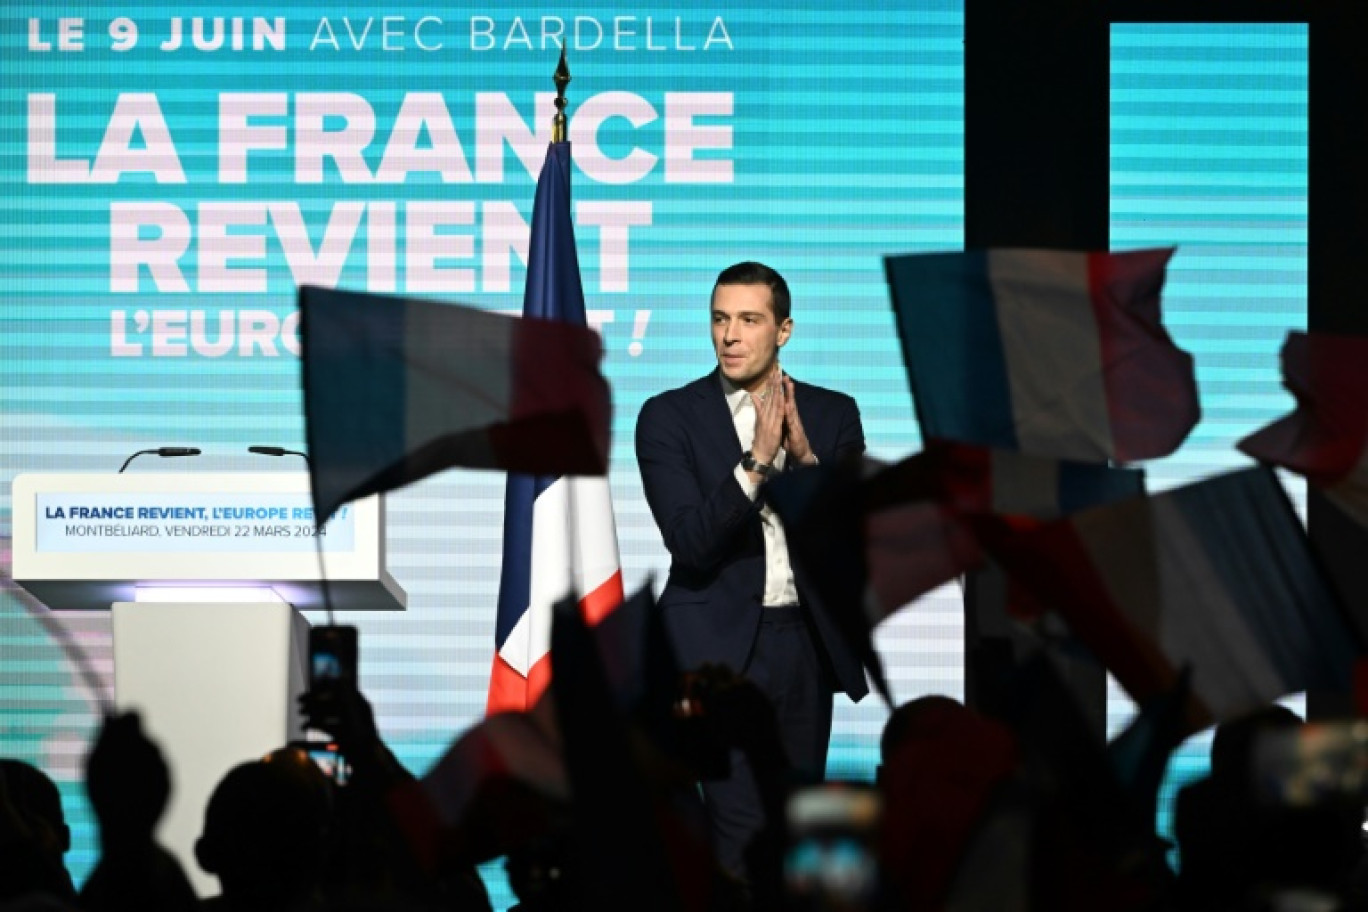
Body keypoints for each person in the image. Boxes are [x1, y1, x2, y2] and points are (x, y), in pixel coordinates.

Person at [635, 261, 868, 878]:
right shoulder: (668, 417)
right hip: (711, 653)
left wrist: (807, 464)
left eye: (748, 319)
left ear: (783, 330)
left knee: (796, 828)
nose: (729, 335)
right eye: (719, 319)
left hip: (806, 646)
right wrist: (757, 465)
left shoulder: (835, 412)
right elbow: (689, 544)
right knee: (737, 836)